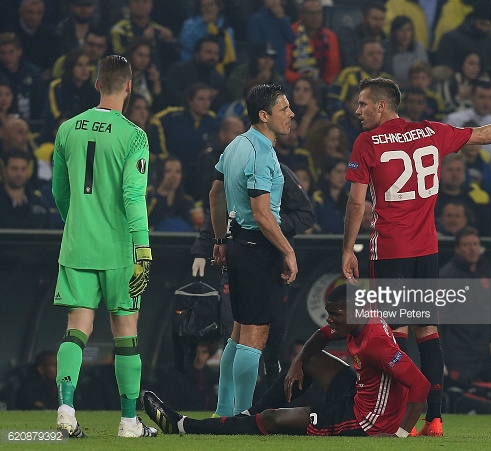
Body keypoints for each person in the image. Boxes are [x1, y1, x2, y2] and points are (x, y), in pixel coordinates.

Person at [341, 77, 491, 436]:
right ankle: (435, 418)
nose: (358, 110)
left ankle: (399, 420)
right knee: (427, 330)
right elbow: (484, 133)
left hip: (391, 247)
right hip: (427, 246)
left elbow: (356, 202)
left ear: (381, 106)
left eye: (363, 104)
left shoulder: (367, 142)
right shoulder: (431, 132)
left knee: (394, 331)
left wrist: (346, 248)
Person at [143, 283, 430, 437]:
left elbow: (420, 386)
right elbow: (322, 334)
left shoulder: (375, 343)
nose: (330, 319)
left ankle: (183, 425)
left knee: (272, 419)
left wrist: (400, 434)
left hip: (365, 422)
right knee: (308, 359)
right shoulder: (361, 320)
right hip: (358, 395)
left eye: (335, 314)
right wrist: (297, 362)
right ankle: (248, 414)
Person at [52, 55, 157, 438]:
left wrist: (78, 222)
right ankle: (129, 422)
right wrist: (142, 250)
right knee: (125, 332)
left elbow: (59, 192)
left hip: (78, 245)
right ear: (129, 87)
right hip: (120, 250)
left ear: (97, 84)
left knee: (76, 329)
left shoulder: (67, 130)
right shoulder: (134, 136)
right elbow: (133, 195)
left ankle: (66, 407)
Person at [208, 83, 298, 417]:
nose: (291, 114)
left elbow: (215, 194)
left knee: (240, 330)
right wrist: (287, 251)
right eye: (284, 108)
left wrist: (220, 240)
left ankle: (223, 413)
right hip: (257, 248)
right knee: (255, 335)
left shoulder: (236, 145)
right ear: (264, 115)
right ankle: (243, 416)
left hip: (237, 244)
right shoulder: (260, 152)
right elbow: (261, 214)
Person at [439, 227, 491, 389]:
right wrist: (437, 356)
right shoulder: (447, 276)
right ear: (457, 249)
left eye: (475, 244)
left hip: (484, 350)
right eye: (467, 245)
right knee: (458, 393)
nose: (472, 249)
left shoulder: (485, 271)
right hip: (457, 353)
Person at [0, 149, 49, 229]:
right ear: (4, 170)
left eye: (23, 169)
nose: (19, 174)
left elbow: (49, 238)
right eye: (14, 168)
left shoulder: (40, 206)